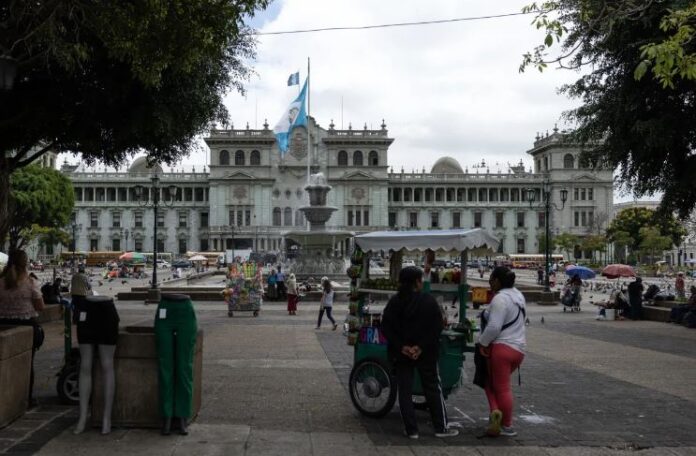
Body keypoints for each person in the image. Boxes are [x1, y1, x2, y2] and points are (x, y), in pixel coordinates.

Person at [381, 266, 457, 439]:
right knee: (432, 387)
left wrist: (403, 347)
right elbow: (437, 327)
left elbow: (386, 326)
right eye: (420, 279)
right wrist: (420, 347)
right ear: (416, 282)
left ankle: (411, 430)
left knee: (405, 390)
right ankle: (440, 428)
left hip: (402, 353)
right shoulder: (428, 301)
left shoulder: (395, 302)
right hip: (426, 353)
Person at [479, 266, 526, 437]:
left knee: (501, 387)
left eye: (491, 280)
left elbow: (494, 327)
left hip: (502, 349)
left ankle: (506, 424)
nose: (490, 283)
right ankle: (496, 412)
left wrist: (482, 343)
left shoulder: (500, 299)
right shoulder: (518, 296)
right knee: (496, 384)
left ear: (498, 281)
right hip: (519, 349)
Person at [0, 250, 46, 406]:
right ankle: (27, 398)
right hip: (26, 325)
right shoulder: (30, 282)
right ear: (25, 262)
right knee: (27, 363)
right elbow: (40, 307)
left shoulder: (1, 282)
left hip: (3, 325)